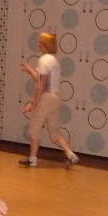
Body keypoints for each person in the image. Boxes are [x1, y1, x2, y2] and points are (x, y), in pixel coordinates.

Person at [19, 32, 79, 168]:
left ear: (45, 44)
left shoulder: (44, 60)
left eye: (40, 42)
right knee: (54, 131)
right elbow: (42, 79)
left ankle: (32, 159)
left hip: (46, 98)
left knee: (35, 128)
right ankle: (70, 153)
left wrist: (33, 103)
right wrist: (30, 70)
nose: (38, 44)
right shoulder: (54, 60)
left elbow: (41, 85)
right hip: (56, 98)